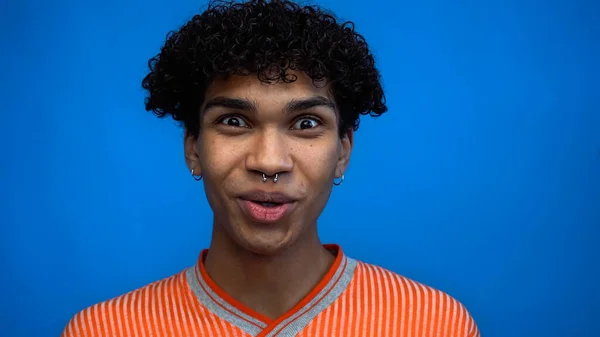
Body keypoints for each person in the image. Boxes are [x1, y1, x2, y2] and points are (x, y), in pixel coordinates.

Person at [61, 0, 480, 336]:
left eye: (306, 124)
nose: (268, 162)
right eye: (234, 121)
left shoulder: (434, 323)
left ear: (343, 151)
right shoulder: (103, 329)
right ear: (193, 147)